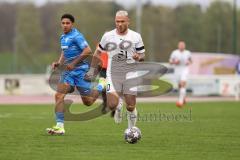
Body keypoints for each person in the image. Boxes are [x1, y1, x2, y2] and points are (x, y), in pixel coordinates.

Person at [85, 10, 145, 129]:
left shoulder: (136, 36)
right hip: (113, 73)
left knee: (131, 106)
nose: (119, 24)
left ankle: (131, 130)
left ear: (128, 21)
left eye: (122, 21)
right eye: (117, 21)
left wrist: (138, 57)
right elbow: (98, 52)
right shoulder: (108, 36)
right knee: (111, 105)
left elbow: (142, 54)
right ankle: (118, 105)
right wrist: (91, 70)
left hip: (130, 73)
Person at [46, 14, 100, 135]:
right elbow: (64, 52)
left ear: (72, 24)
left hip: (80, 71)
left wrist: (74, 63)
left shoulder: (77, 36)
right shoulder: (62, 37)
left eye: (67, 23)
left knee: (88, 102)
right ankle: (60, 126)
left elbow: (88, 51)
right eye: (63, 23)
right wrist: (59, 63)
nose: (65, 25)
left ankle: (101, 86)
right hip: (68, 72)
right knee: (58, 95)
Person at [169, 41, 192, 108]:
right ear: (178, 46)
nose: (181, 46)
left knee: (182, 84)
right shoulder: (174, 52)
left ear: (184, 46)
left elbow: (191, 61)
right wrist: (174, 62)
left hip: (184, 69)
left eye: (183, 45)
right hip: (177, 70)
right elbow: (170, 61)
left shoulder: (188, 53)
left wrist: (189, 62)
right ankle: (183, 98)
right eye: (180, 45)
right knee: (180, 86)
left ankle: (180, 102)